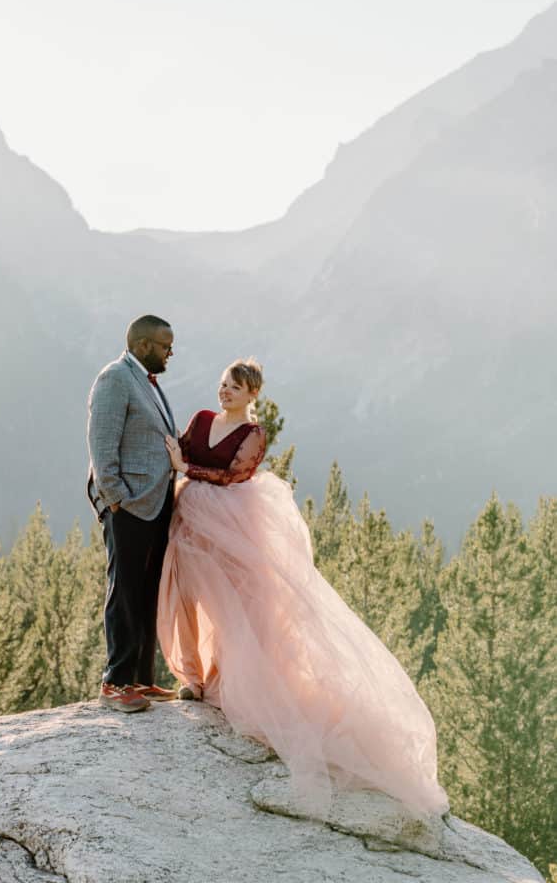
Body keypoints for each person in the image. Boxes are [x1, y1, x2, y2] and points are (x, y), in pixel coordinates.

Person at [158, 358, 448, 815]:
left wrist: (184, 466)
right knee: (187, 596)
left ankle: (231, 681)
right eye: (222, 384)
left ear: (252, 393)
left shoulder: (253, 434)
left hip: (231, 523)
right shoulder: (202, 419)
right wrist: (179, 464)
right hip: (189, 519)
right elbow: (183, 447)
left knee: (236, 603)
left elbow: (235, 474)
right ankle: (193, 676)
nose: (224, 392)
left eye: (233, 386)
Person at [87, 314, 179, 713]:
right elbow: (101, 445)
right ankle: (116, 682)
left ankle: (141, 679)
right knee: (124, 590)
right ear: (142, 345)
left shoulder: (148, 382)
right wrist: (115, 498)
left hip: (156, 504)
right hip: (128, 505)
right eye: (164, 345)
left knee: (146, 593)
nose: (169, 352)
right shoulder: (114, 378)